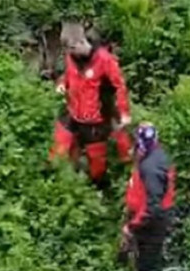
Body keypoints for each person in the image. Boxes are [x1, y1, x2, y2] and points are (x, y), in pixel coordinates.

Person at [49, 22, 132, 190]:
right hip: (73, 112)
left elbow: (119, 86)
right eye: (67, 50)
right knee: (59, 148)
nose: (69, 53)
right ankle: (58, 180)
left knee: (97, 163)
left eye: (72, 48)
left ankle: (97, 186)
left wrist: (123, 112)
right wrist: (62, 83)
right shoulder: (71, 57)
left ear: (81, 42)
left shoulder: (104, 61)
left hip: (96, 120)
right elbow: (68, 74)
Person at [122, 122, 176, 271]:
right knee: (146, 264)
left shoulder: (150, 166)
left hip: (152, 222)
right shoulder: (154, 157)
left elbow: (153, 205)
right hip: (151, 218)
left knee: (149, 266)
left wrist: (133, 226)